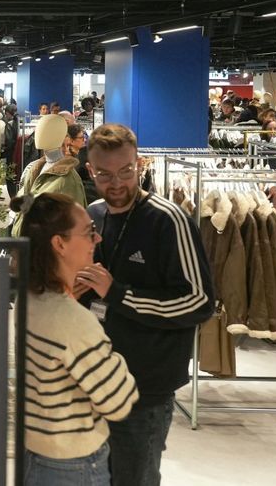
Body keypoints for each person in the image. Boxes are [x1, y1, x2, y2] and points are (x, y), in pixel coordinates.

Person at [81, 123, 214, 485]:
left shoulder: (168, 220)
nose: (117, 183)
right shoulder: (93, 214)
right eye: (105, 174)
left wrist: (118, 294)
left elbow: (200, 302)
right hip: (94, 380)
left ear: (139, 163)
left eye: (126, 171)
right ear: (90, 171)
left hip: (144, 388)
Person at [13, 192, 138, 485]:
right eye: (89, 232)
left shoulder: (28, 298)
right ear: (60, 244)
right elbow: (118, 401)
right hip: (74, 466)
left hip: (35, 453)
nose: (98, 239)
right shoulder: (74, 321)